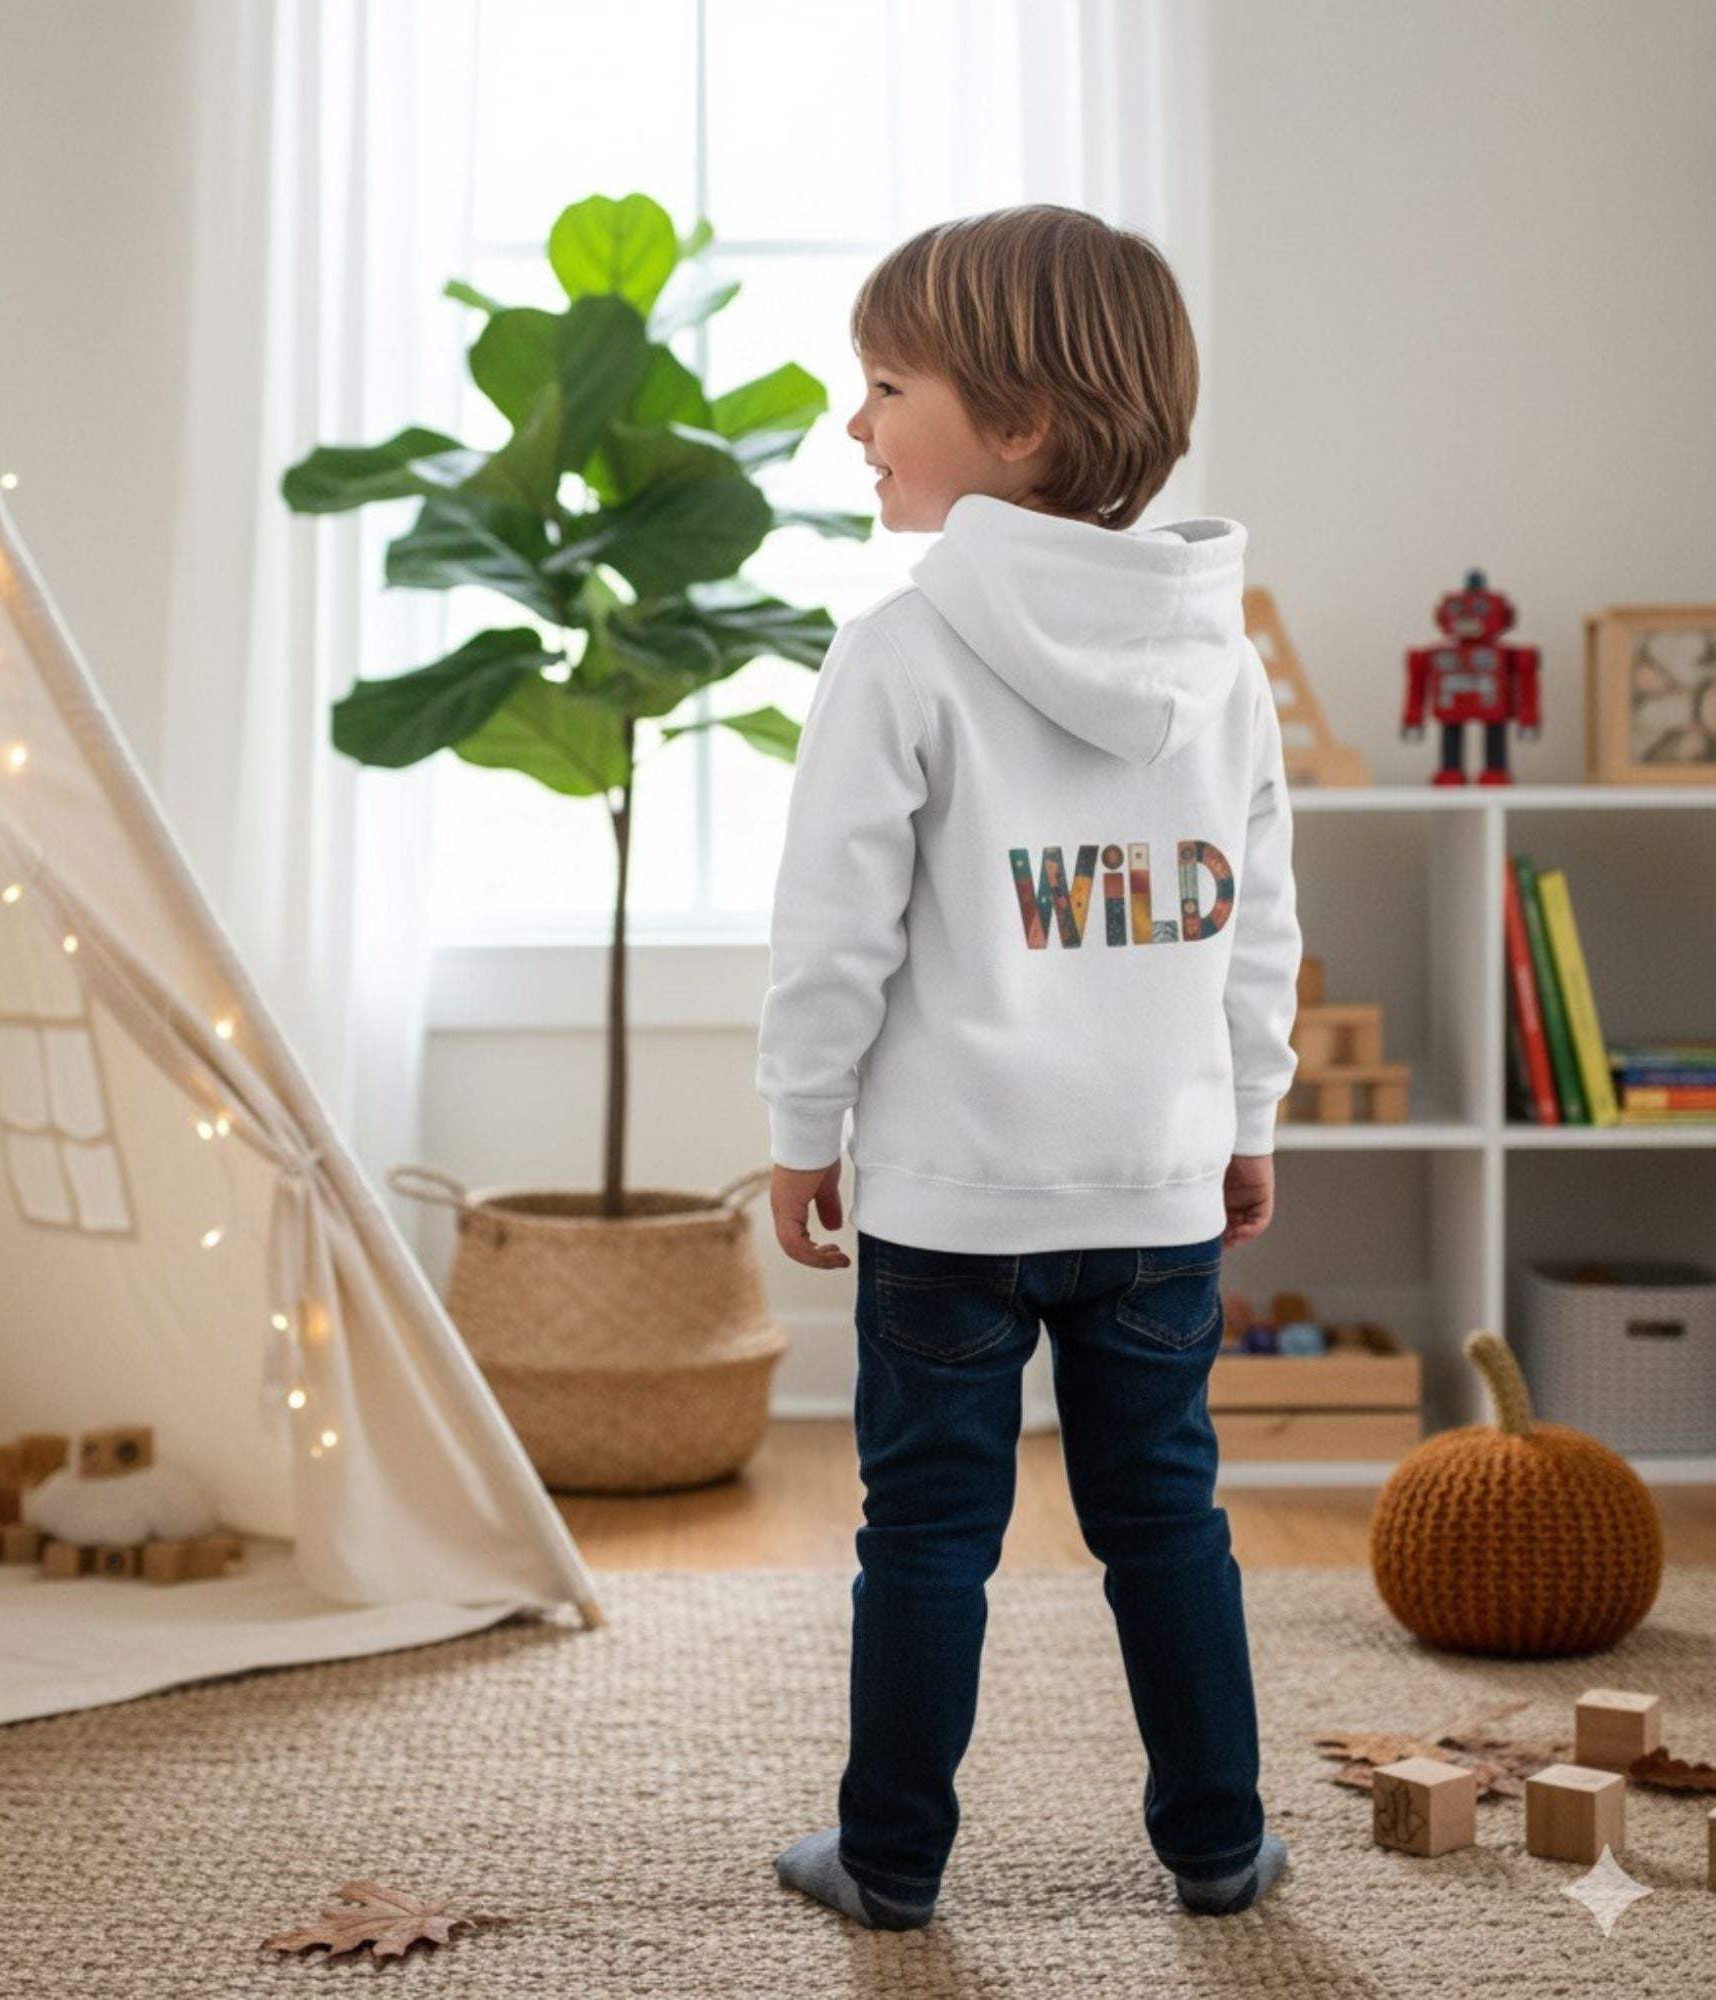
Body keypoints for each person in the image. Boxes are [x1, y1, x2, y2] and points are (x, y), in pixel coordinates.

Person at [756, 203, 1303, 1930]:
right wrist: (1251, 1110)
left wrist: (799, 1127)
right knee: (1168, 1523)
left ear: (1024, 428)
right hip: (1152, 1188)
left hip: (949, 1201)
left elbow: (830, 929)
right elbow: (1260, 919)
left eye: (887, 383)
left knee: (925, 1536)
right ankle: (1221, 1842)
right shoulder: (1225, 665)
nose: (858, 422)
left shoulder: (903, 651)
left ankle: (894, 1863)